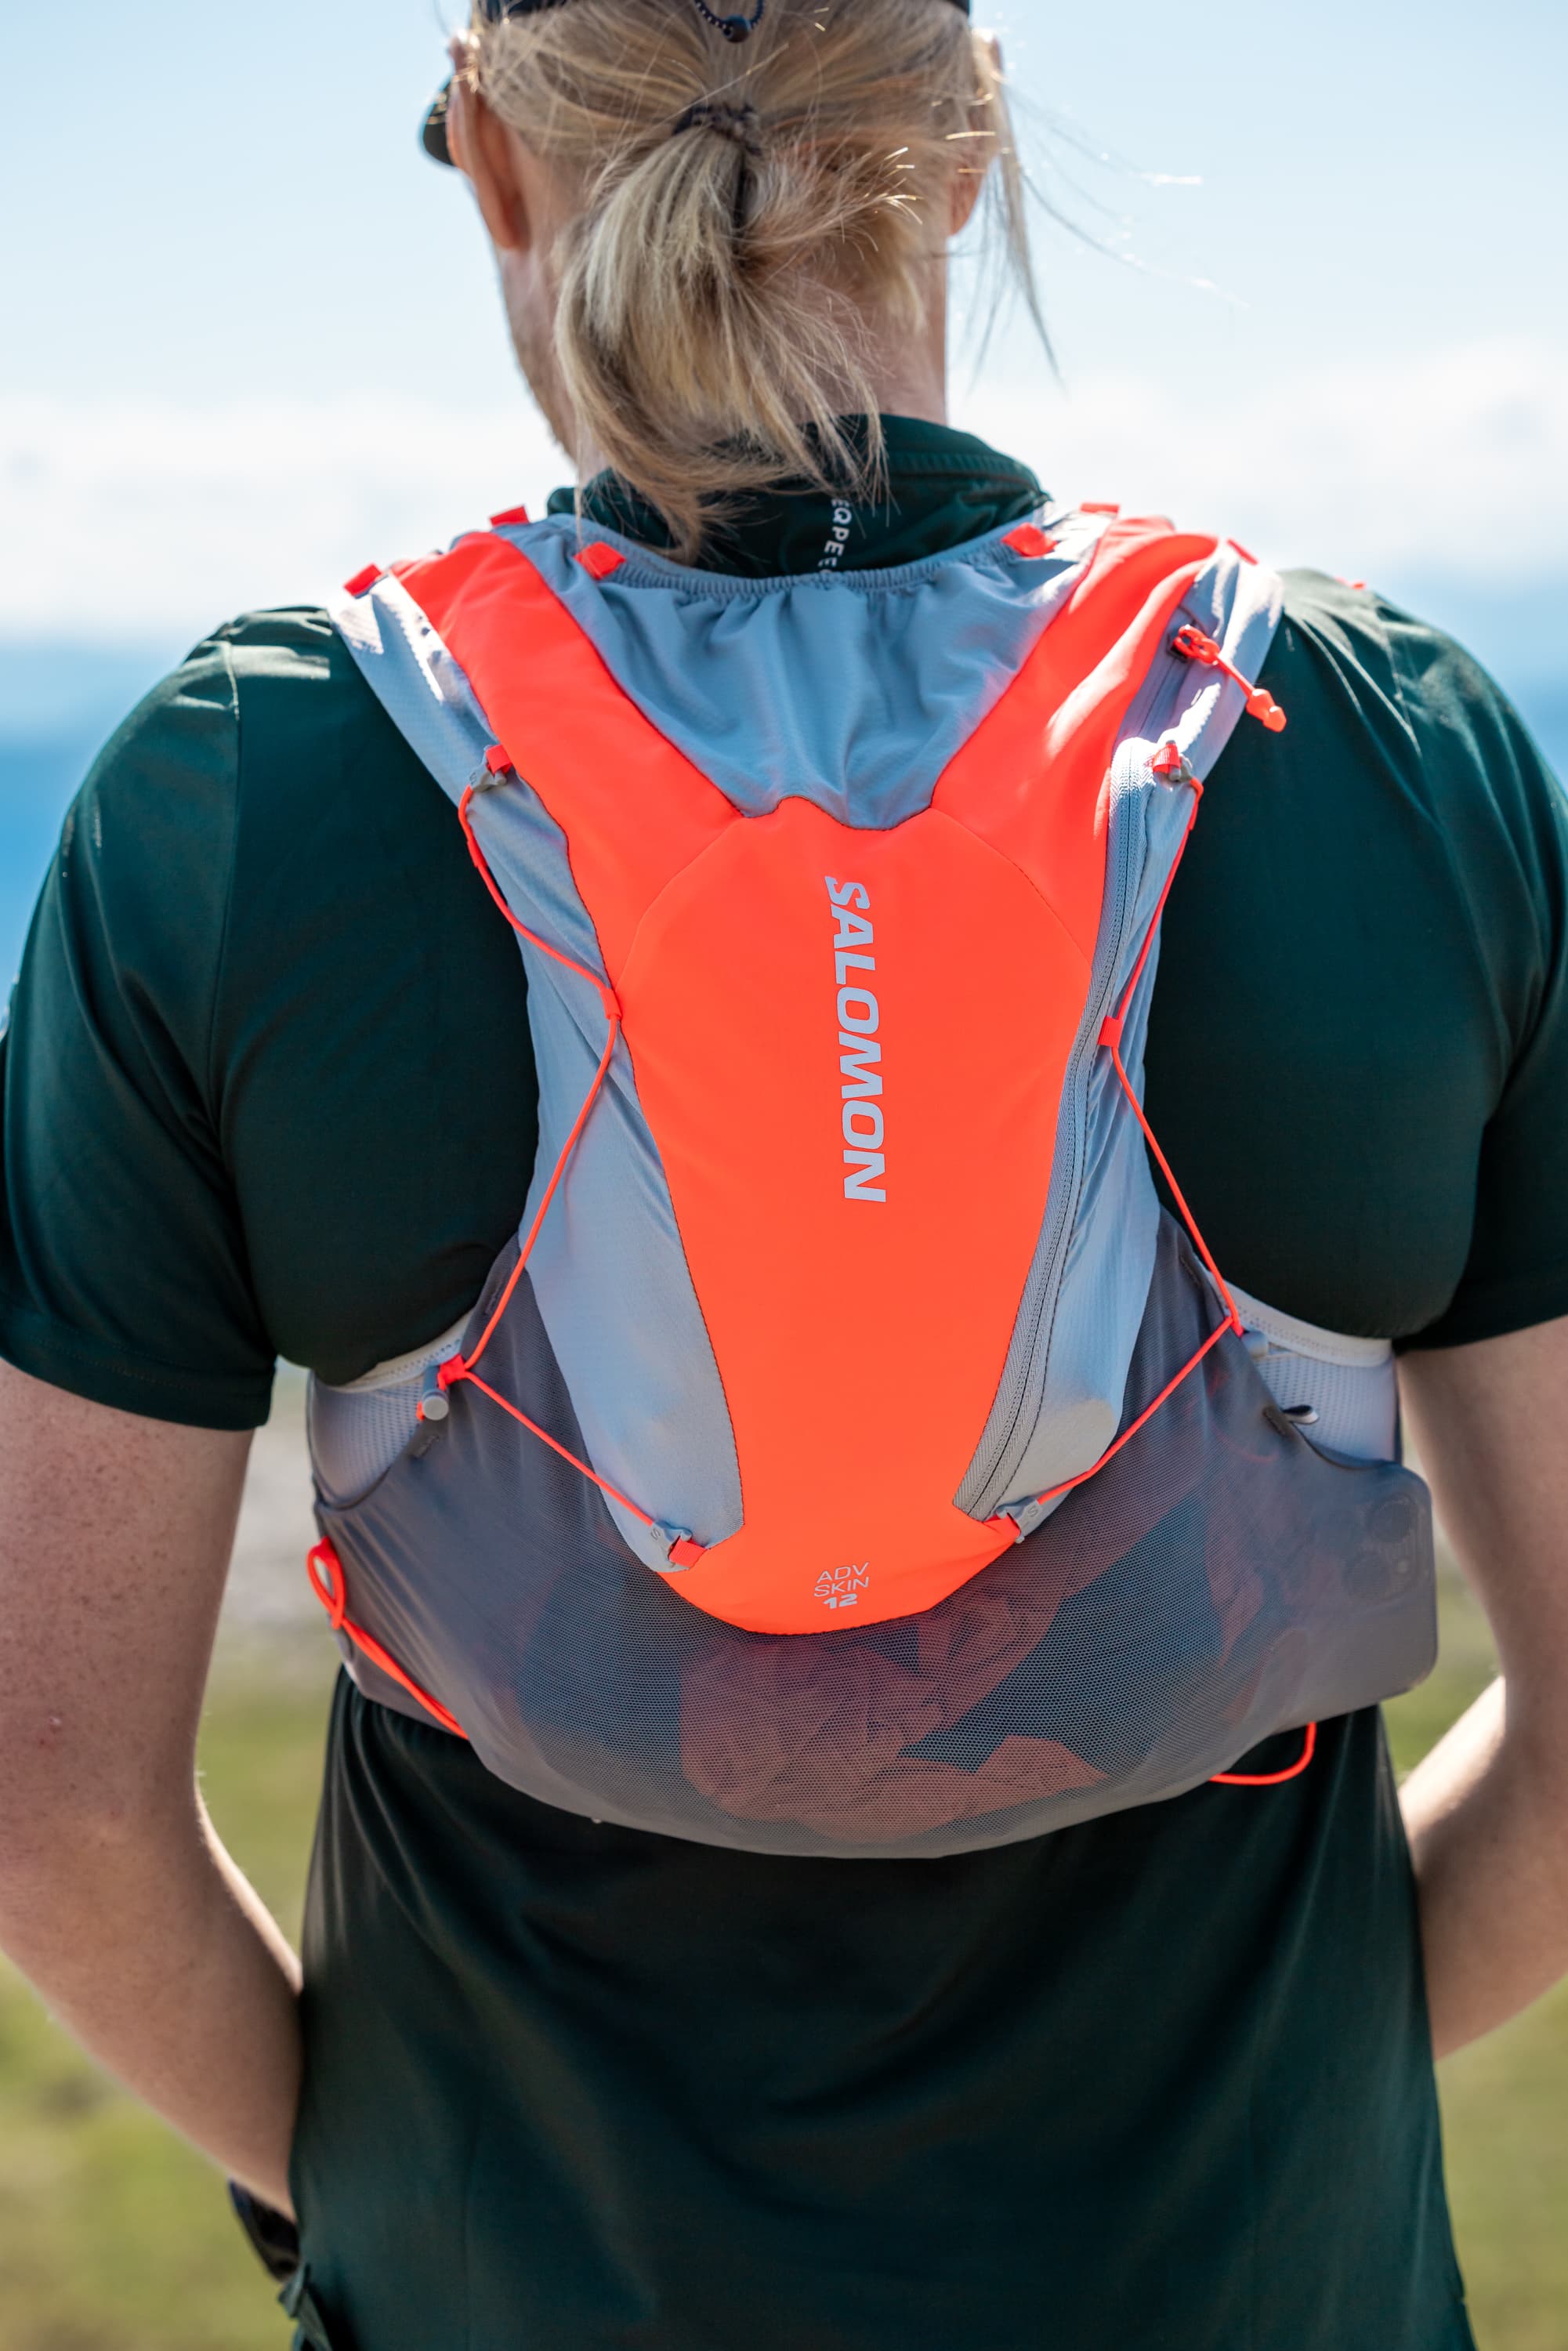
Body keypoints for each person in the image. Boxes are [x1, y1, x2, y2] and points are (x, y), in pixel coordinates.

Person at [2, 2, 1566, 2346]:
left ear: (499, 169)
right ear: (959, 149)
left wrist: (367, 2187)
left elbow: (52, 1807)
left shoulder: (252, 791)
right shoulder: (1376, 746)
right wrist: (1298, 2102)